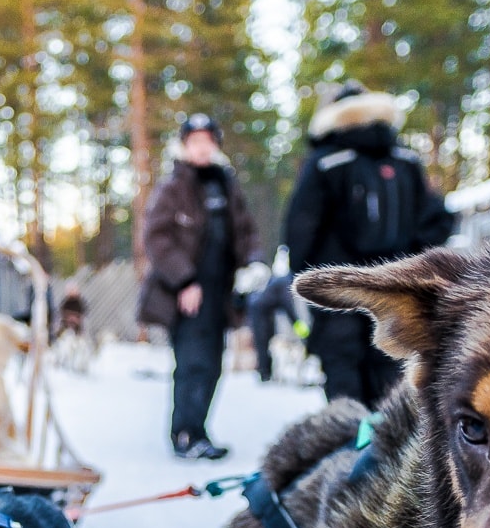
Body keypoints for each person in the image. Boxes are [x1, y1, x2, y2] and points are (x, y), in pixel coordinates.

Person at [284, 83, 453, 406]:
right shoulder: (405, 161)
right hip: (396, 283)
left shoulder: (324, 162)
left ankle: (348, 445)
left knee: (341, 364)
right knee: (392, 363)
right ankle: (387, 447)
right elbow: (439, 218)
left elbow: (301, 226)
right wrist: (414, 258)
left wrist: (304, 277)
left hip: (340, 285)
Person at [136, 112, 262, 459]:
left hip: (221, 294)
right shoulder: (173, 187)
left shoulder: (226, 184)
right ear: (185, 145)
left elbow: (246, 231)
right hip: (187, 295)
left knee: (213, 364)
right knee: (192, 363)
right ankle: (184, 434)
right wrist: (185, 280)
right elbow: (156, 239)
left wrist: (252, 263)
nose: (202, 149)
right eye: (195, 142)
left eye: (208, 141)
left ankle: (199, 431)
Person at [245, 269, 302, 383]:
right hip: (258, 310)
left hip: (263, 309)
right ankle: (264, 373)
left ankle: (267, 371)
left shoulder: (282, 280)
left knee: (266, 339)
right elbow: (287, 306)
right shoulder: (285, 283)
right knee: (262, 340)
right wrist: (298, 325)